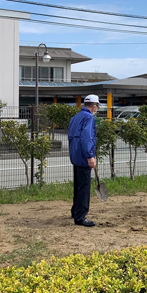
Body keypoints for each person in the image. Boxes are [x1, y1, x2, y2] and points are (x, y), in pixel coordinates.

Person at [68, 94, 99, 227]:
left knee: (78, 185)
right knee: (84, 187)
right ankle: (81, 216)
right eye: (97, 106)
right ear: (93, 106)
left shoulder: (76, 117)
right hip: (83, 156)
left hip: (75, 156)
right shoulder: (88, 117)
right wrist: (90, 156)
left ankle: (75, 211)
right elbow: (87, 138)